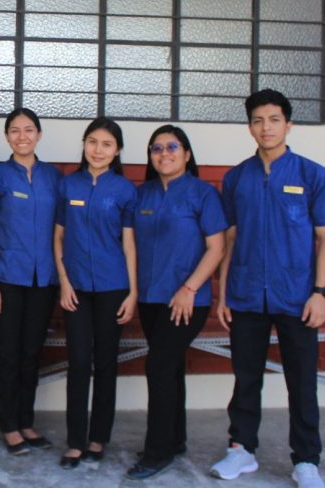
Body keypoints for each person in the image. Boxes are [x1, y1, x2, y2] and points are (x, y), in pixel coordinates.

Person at [210, 89, 325, 488]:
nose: (266, 127)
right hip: (247, 293)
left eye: (274, 119)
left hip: (297, 296)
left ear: (288, 124)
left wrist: (320, 292)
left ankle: (306, 460)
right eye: (258, 120)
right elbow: (230, 239)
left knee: (301, 381)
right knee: (246, 377)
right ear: (249, 126)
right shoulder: (236, 178)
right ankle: (241, 450)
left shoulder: (312, 175)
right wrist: (224, 293)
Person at [126, 125, 227, 480]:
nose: (164, 153)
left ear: (186, 154)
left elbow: (217, 248)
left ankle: (157, 452)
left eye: (172, 147)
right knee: (170, 368)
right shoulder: (143, 194)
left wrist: (188, 288)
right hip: (152, 299)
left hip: (187, 299)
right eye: (156, 148)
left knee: (158, 366)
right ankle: (175, 438)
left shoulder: (203, 194)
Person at [0, 108, 61, 456]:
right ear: (7, 136)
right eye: (14, 131)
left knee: (31, 354)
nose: (21, 136)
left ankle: (26, 421)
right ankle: (9, 426)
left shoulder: (54, 177)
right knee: (7, 354)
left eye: (28, 130)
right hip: (7, 278)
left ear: (39, 134)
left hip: (44, 280)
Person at [53, 117, 138, 469]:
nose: (98, 150)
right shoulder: (68, 186)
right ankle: (75, 441)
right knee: (79, 363)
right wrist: (64, 282)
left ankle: (98, 437)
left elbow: (130, 245)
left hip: (112, 287)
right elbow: (57, 237)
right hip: (75, 290)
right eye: (92, 141)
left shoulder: (124, 190)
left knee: (105, 364)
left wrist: (132, 292)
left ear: (116, 150)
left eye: (106, 144)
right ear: (84, 145)